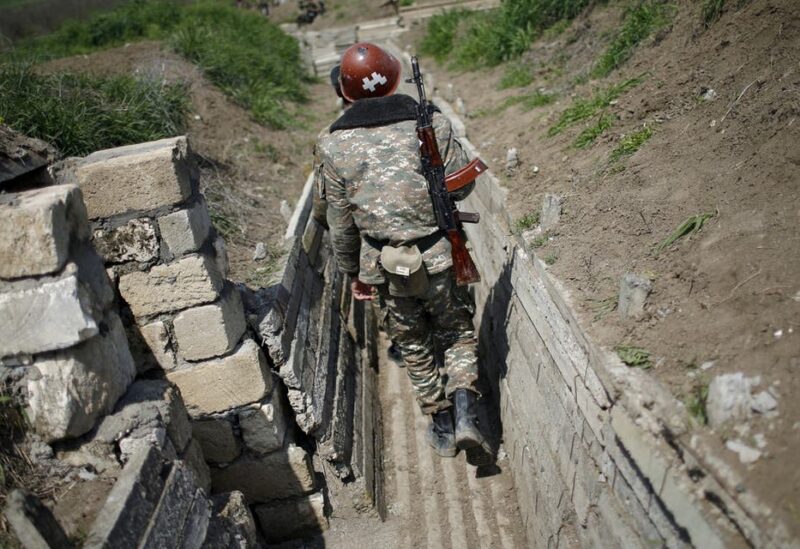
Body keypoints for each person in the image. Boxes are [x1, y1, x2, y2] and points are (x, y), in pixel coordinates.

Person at [316, 43, 491, 465]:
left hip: (384, 266)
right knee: (457, 332)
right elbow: (462, 187)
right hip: (440, 254)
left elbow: (340, 224)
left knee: (411, 343)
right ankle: (467, 406)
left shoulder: (332, 144)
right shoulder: (430, 122)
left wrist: (353, 273)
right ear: (394, 77)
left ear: (345, 90)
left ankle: (442, 423)